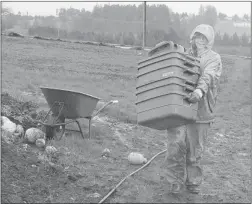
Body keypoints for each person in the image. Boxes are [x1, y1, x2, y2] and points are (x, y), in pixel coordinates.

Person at [159, 24, 223, 195]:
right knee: (175, 145)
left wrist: (199, 90)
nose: (199, 41)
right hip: (179, 108)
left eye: (204, 38)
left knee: (194, 150)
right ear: (192, 38)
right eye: (197, 37)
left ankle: (193, 181)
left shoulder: (213, 58)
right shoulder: (183, 55)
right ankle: (175, 181)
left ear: (209, 41)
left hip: (201, 111)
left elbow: (208, 75)